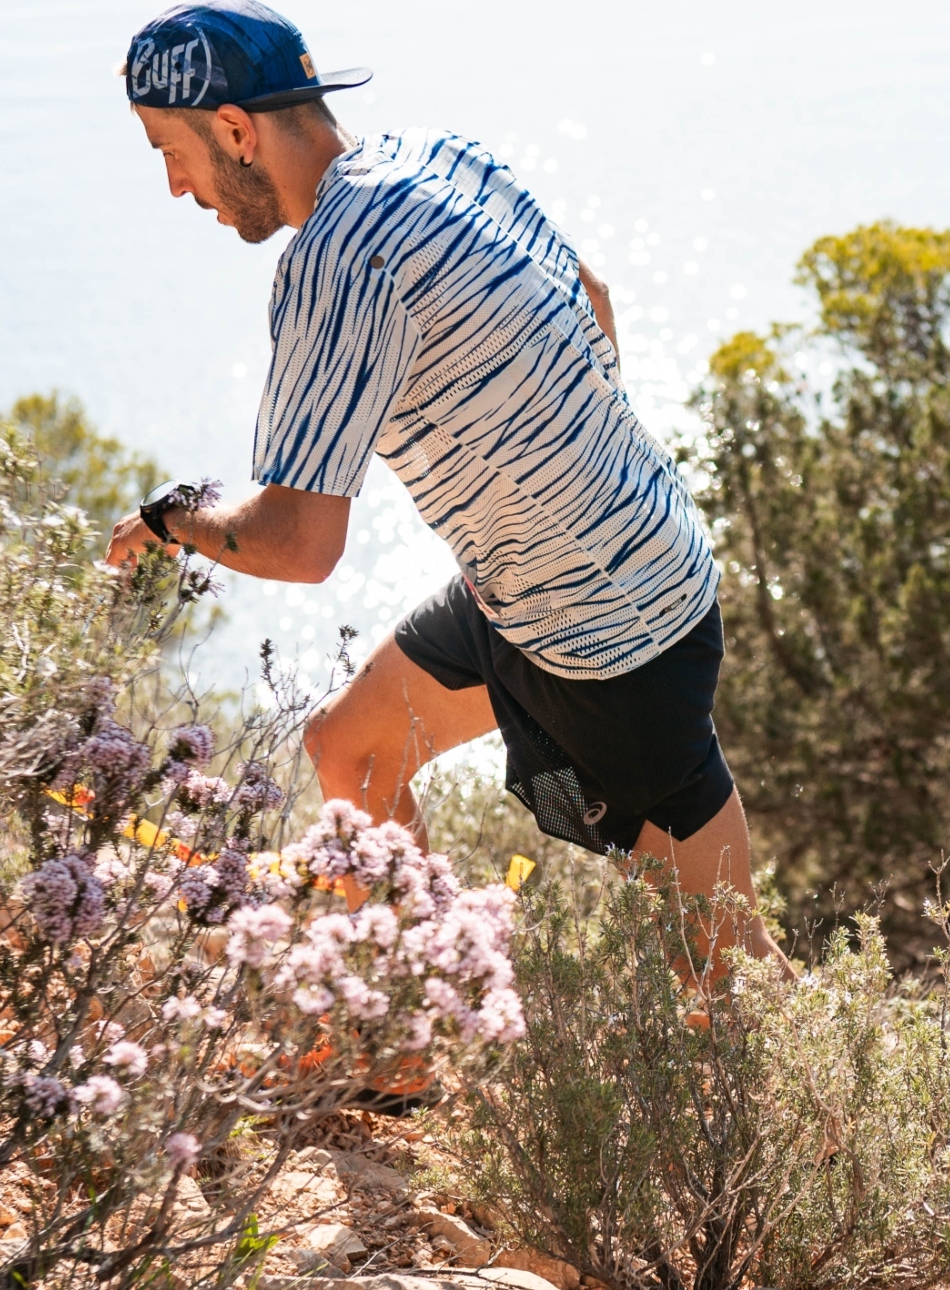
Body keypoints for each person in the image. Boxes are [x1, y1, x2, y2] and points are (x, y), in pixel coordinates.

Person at [106, 2, 789, 1025]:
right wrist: (563, 475)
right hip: (570, 576)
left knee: (730, 985)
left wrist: (174, 516)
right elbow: (593, 298)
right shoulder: (441, 158)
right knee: (352, 751)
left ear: (237, 132)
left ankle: (913, 1166)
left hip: (614, 649)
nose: (174, 186)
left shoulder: (334, 265)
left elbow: (298, 543)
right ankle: (429, 1023)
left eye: (173, 152)